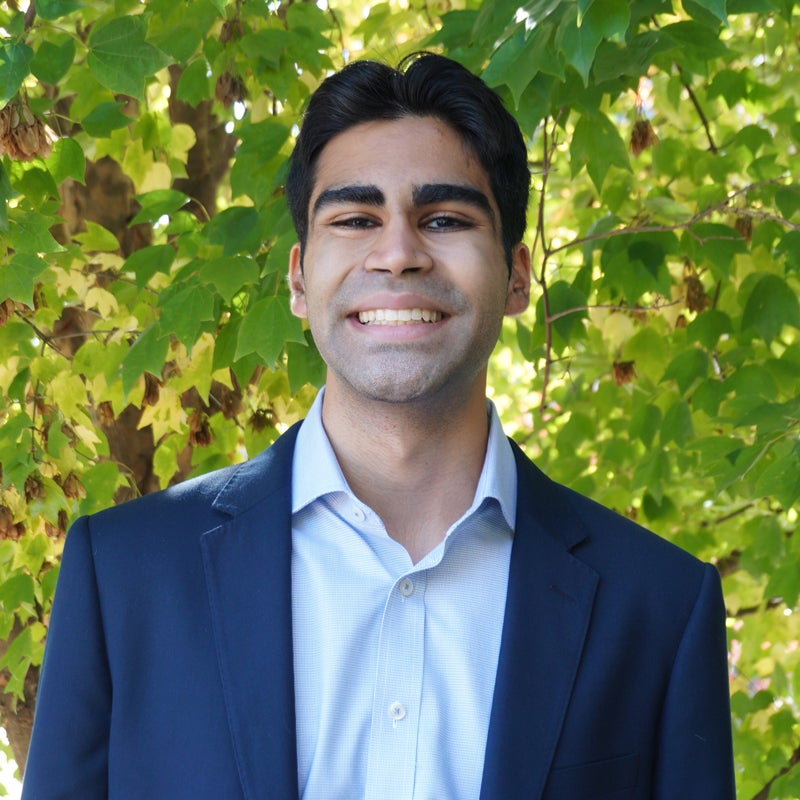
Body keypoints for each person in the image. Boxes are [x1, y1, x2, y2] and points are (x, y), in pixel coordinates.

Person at [23, 53, 735, 799]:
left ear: (518, 276)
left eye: (446, 219)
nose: (398, 254)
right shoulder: (123, 577)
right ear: (298, 279)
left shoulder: (659, 608)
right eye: (356, 219)